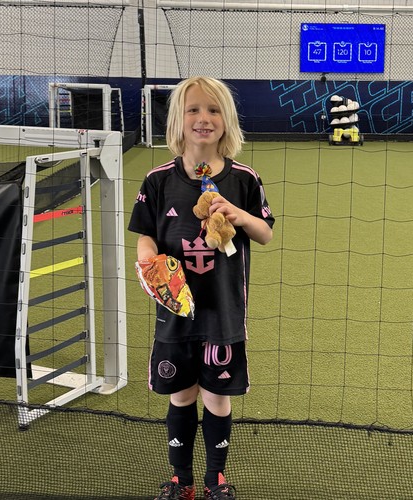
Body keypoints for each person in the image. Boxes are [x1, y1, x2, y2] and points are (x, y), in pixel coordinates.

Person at [128, 76, 274, 500]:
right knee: (181, 395)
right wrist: (148, 262)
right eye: (193, 109)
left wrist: (239, 215)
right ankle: (181, 480)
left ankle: (215, 480)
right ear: (178, 119)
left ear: (227, 121)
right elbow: (145, 234)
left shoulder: (244, 178)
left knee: (216, 398)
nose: (203, 118)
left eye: (213, 110)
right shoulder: (158, 180)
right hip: (176, 312)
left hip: (223, 312)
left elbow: (265, 233)